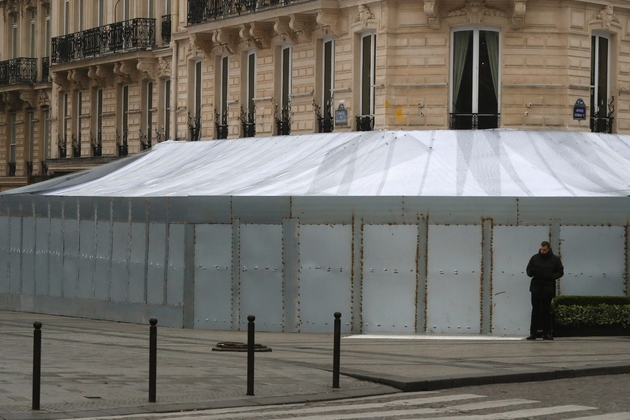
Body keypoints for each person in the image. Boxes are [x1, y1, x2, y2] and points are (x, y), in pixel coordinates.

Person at [526, 241, 564, 340]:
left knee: (546, 311)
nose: (542, 251)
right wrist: (531, 272)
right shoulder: (534, 258)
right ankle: (533, 333)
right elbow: (528, 270)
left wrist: (551, 277)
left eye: (544, 250)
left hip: (548, 287)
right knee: (535, 310)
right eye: (541, 249)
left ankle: (547, 333)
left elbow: (560, 271)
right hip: (536, 287)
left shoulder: (555, 259)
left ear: (549, 249)